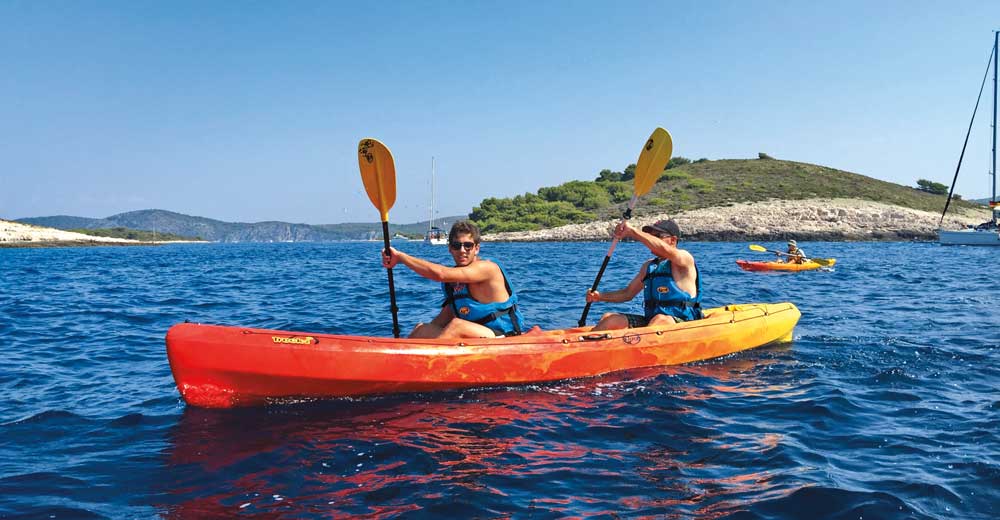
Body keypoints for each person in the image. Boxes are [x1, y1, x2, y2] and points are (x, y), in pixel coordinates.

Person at [381, 220, 528, 339]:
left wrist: (401, 258)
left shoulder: (487, 268)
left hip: (504, 338)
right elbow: (443, 319)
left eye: (468, 245)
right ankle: (405, 362)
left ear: (476, 248)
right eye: (457, 245)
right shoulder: (454, 283)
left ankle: (425, 366)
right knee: (422, 329)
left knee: (457, 325)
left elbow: (440, 274)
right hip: (476, 339)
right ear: (450, 248)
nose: (462, 250)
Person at [584, 219, 702, 331]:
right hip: (651, 322)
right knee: (610, 318)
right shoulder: (648, 266)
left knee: (660, 320)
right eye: (650, 235)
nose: (650, 239)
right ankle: (587, 346)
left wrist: (632, 231)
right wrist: (599, 296)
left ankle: (644, 347)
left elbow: (664, 249)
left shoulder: (684, 259)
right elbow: (627, 294)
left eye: (656, 236)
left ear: (673, 240)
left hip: (683, 322)